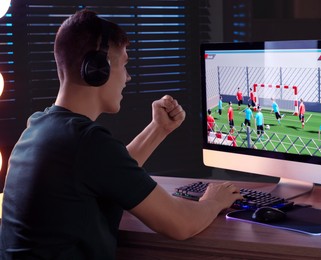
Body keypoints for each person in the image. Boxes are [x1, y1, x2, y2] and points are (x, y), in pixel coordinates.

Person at [0, 10, 242, 260]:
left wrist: (159, 129)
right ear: (97, 68)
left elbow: (108, 171)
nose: (128, 77)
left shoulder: (39, 126)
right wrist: (212, 201)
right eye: (124, 64)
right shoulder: (87, 142)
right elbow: (180, 224)